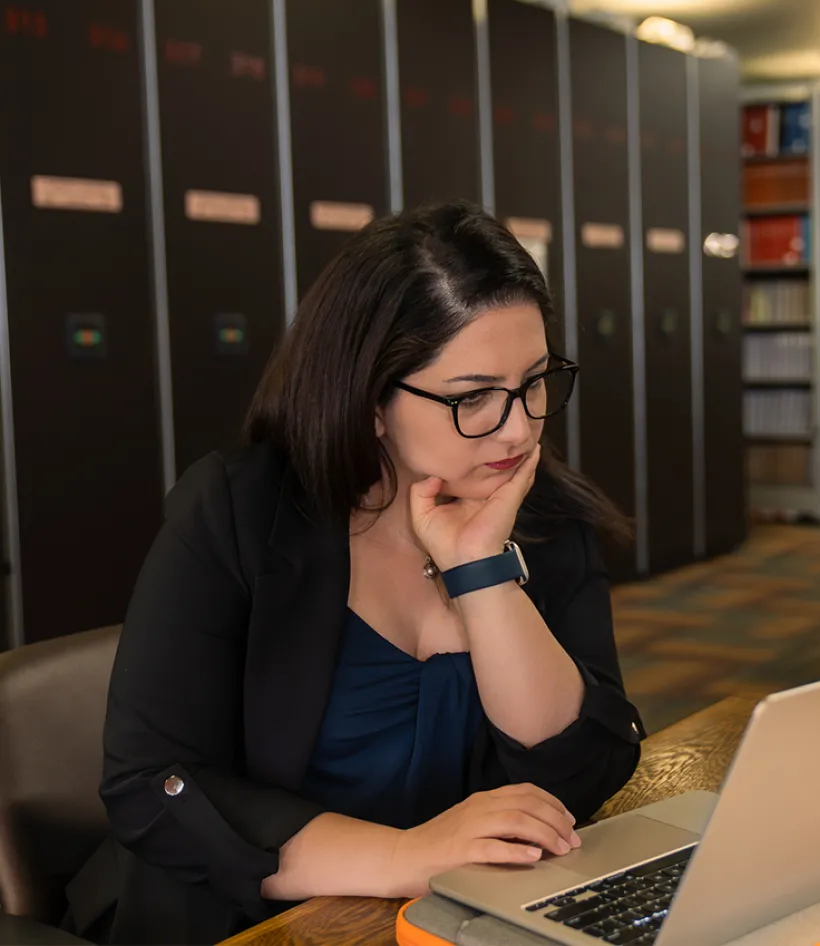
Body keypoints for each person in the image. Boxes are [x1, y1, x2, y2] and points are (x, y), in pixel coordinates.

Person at [70, 201, 644, 945]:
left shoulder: (539, 511)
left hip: (456, 922)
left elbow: (586, 769)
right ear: (372, 401)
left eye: (535, 381)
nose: (519, 427)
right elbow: (152, 787)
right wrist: (407, 856)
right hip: (256, 924)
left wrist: (482, 573)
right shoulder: (241, 513)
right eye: (471, 398)